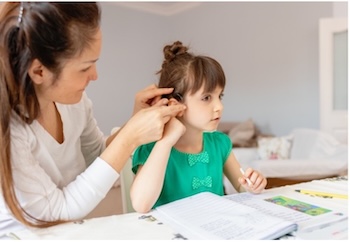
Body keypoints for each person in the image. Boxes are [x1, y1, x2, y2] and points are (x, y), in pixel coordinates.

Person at [0, 2, 185, 236]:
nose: (95, 76)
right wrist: (129, 138)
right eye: (86, 67)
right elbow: (58, 209)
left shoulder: (75, 103)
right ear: (39, 72)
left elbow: (96, 155)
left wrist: (135, 122)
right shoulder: (10, 130)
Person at [130, 41, 267, 213]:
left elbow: (242, 188)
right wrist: (165, 142)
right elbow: (141, 205)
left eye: (220, 96)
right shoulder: (152, 147)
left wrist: (253, 186)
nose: (219, 106)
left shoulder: (219, 143)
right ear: (176, 105)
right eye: (206, 98)